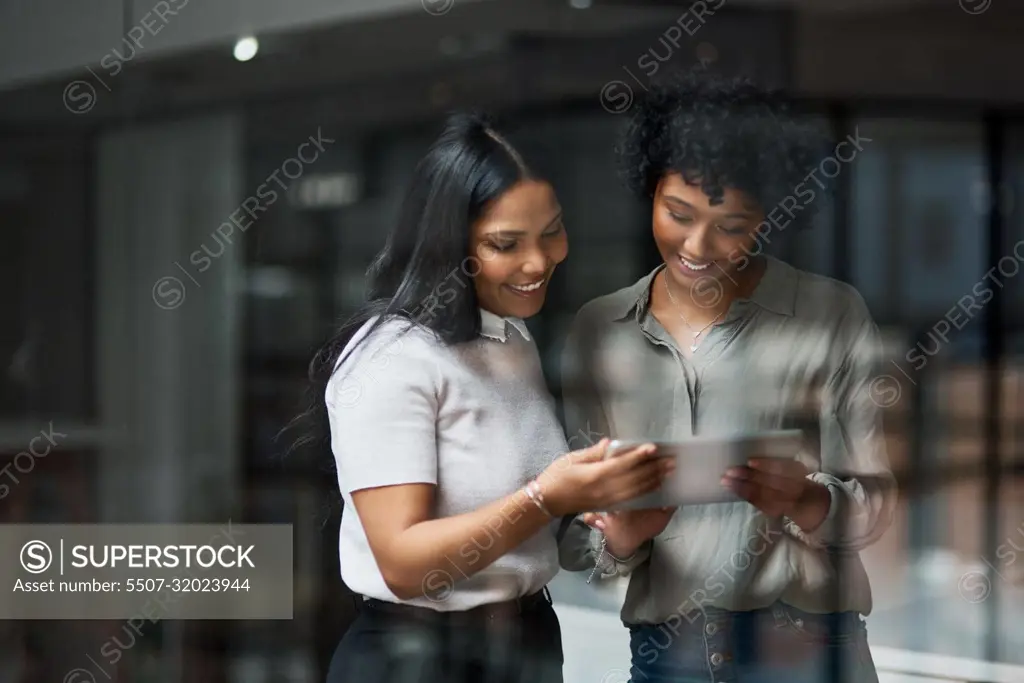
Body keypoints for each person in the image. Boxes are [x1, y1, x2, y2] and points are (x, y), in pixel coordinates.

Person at [307, 112, 674, 683]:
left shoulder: (507, 337)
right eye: (506, 244)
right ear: (449, 247)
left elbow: (514, 534)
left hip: (522, 643)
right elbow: (404, 565)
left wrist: (617, 534)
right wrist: (545, 498)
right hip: (419, 660)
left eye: (551, 231)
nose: (539, 261)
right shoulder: (391, 358)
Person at [559, 71, 898, 683]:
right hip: (667, 654)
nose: (697, 245)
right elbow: (573, 533)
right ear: (649, 191)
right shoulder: (600, 329)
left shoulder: (830, 314)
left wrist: (806, 498)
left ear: (768, 216)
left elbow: (874, 505)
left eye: (731, 226)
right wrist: (622, 536)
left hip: (809, 647)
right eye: (677, 213)